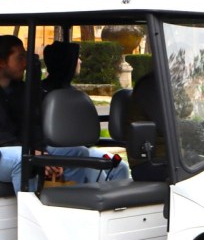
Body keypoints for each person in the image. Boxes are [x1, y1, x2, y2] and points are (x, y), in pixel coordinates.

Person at [0, 35, 130, 192]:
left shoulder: (21, 90)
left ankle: (70, 202)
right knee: (25, 160)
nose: (25, 63)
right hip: (6, 150)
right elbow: (5, 137)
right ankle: (32, 214)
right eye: (20, 57)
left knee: (78, 153)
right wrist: (34, 154)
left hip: (23, 147)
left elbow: (32, 127)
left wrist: (43, 152)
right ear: (2, 62)